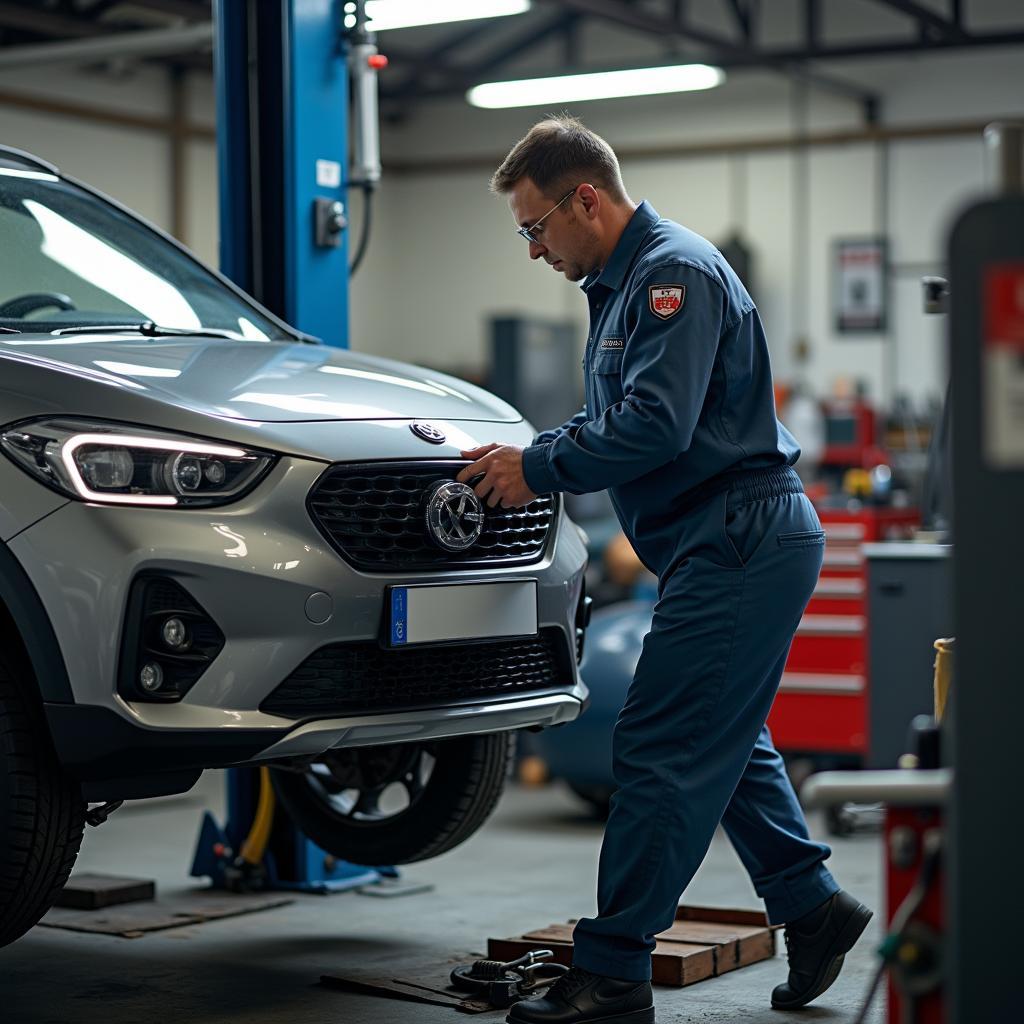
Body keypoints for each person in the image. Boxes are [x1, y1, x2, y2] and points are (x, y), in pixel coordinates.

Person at [456, 116, 872, 1024]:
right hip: (717, 540)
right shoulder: (621, 283)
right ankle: (813, 906)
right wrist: (550, 449)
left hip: (740, 538)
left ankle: (612, 973)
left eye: (534, 228)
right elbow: (631, 418)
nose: (532, 250)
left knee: (658, 747)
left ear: (586, 199)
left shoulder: (670, 274)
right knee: (727, 743)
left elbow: (654, 427)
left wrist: (537, 461)